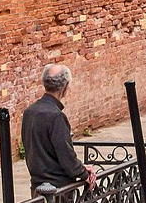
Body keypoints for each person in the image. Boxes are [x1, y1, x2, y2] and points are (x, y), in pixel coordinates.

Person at [21, 65, 97, 195]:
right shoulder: (56, 117)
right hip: (58, 190)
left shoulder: (30, 112)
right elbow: (66, 155)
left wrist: (80, 167)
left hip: (38, 187)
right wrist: (84, 174)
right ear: (65, 87)